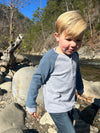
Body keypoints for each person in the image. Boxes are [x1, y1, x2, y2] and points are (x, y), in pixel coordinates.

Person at [26, 10, 87, 133]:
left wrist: (80, 87)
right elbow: (37, 79)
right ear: (57, 37)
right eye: (69, 39)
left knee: (64, 128)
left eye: (78, 40)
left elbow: (77, 72)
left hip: (69, 101)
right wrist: (31, 103)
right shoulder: (51, 58)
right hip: (56, 105)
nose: (73, 44)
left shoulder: (75, 55)